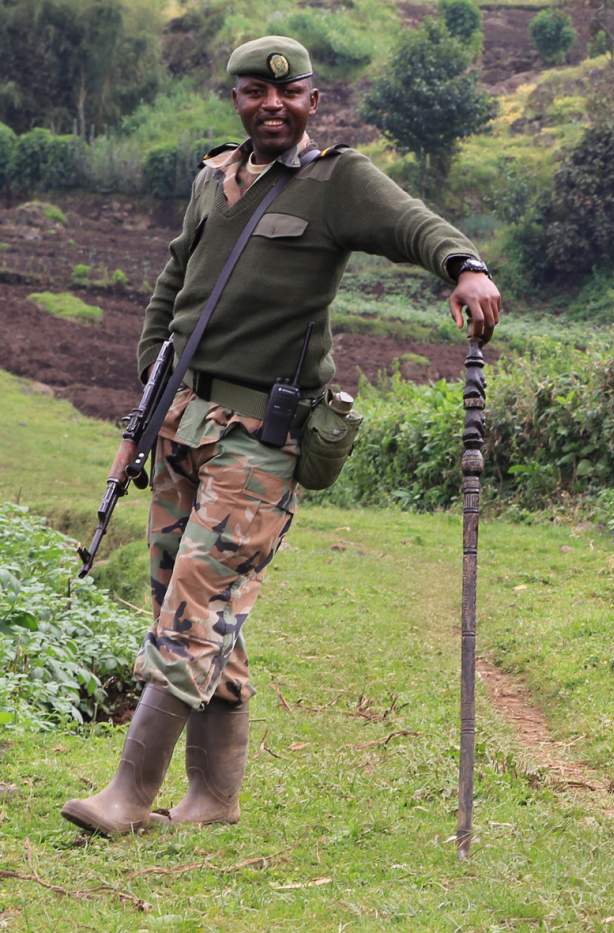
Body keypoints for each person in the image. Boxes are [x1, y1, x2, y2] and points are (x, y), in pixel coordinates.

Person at [61, 36, 502, 836]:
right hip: (183, 424)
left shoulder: (337, 182)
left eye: (288, 93)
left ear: (311, 100)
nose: (272, 105)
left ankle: (127, 795)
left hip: (262, 438)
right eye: (255, 94)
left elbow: (413, 224)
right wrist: (150, 394)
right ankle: (214, 800)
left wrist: (463, 265)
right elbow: (172, 285)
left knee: (196, 604)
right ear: (235, 99)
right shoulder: (210, 180)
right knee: (182, 601)